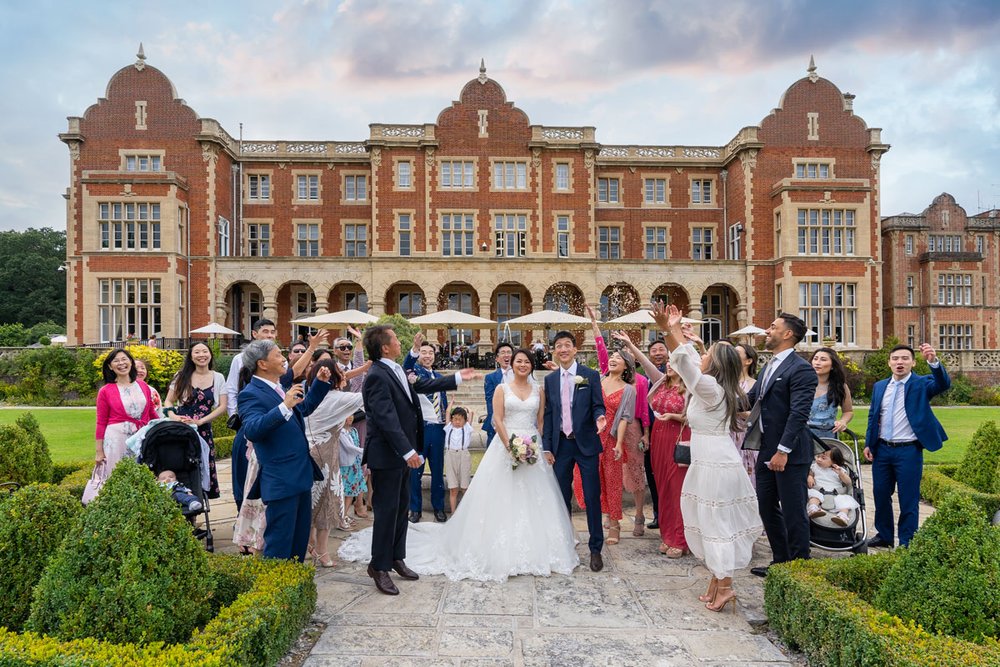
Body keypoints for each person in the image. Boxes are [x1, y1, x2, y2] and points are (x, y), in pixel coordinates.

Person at [339, 348, 578, 582]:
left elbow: (540, 422)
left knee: (536, 500)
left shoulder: (539, 389)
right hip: (506, 446)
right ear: (511, 364)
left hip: (531, 448)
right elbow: (497, 419)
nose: (522, 365)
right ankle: (382, 563)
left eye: (526, 361)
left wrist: (535, 446)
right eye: (518, 361)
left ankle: (395, 558)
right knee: (393, 509)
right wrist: (511, 446)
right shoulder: (502, 388)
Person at [652, 302, 763, 612]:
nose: (701, 355)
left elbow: (685, 364)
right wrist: (675, 328)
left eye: (707, 354)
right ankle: (717, 579)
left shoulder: (711, 388)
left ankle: (725, 586)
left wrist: (667, 331)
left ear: (715, 365)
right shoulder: (713, 386)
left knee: (716, 524)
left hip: (716, 463)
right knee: (710, 520)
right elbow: (686, 358)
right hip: (711, 459)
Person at [356, 324, 474, 595]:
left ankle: (397, 558)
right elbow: (386, 418)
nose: (400, 341)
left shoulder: (395, 369)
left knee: (400, 509)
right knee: (386, 512)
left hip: (402, 453)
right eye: (395, 338)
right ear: (385, 347)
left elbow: (423, 385)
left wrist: (457, 377)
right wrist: (407, 451)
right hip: (388, 455)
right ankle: (378, 566)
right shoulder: (375, 375)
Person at [238, 339, 333, 562]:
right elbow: (252, 430)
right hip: (280, 479)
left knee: (298, 544)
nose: (284, 359)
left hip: (300, 474)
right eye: (278, 355)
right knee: (280, 545)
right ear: (262, 363)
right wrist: (284, 406)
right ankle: (274, 593)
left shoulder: (279, 388)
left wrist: (320, 384)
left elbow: (305, 408)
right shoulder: (250, 393)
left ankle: (295, 591)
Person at [746, 313, 818, 578]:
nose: (768, 330)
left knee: (793, 510)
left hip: (789, 453)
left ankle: (800, 567)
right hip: (766, 448)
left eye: (773, 327)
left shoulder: (801, 369)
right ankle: (780, 561)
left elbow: (798, 413)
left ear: (788, 334)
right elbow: (751, 400)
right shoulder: (769, 366)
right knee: (766, 505)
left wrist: (782, 450)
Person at [864, 343, 950, 548]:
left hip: (909, 450)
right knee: (881, 495)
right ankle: (884, 536)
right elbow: (873, 416)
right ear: (889, 363)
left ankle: (907, 540)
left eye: (904, 358)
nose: (899, 362)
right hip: (882, 450)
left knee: (908, 498)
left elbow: (942, 384)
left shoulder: (922, 383)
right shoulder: (880, 386)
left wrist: (933, 362)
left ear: (912, 362)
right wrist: (869, 443)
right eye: (895, 359)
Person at [615, 332, 690, 557]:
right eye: (669, 363)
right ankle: (667, 535)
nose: (669, 366)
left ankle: (680, 538)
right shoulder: (661, 382)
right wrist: (630, 344)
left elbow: (696, 416)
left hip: (679, 438)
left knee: (678, 490)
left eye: (674, 363)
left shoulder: (690, 388)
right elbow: (646, 364)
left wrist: (675, 418)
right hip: (658, 438)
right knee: (662, 488)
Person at [543, 330, 607, 572]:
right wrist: (547, 446)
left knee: (591, 496)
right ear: (555, 351)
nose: (563, 349)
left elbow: (597, 405)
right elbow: (549, 415)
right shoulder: (550, 380)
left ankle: (595, 548)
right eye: (558, 346)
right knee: (561, 498)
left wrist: (600, 417)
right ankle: (565, 544)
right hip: (561, 445)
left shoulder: (589, 375)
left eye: (567, 345)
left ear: (575, 349)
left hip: (587, 444)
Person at [585, 308, 649, 537]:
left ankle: (621, 521)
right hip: (596, 435)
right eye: (611, 358)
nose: (611, 359)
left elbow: (633, 414)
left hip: (621, 433)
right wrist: (594, 323)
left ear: (627, 365)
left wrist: (638, 435)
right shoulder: (599, 377)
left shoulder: (633, 386)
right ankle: (605, 516)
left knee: (626, 477)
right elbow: (600, 347)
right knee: (597, 479)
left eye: (618, 358)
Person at [304, 359, 364, 567]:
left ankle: (310, 543)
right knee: (327, 503)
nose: (345, 375)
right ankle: (321, 550)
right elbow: (368, 396)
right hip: (325, 455)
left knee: (309, 501)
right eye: (341, 372)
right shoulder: (338, 398)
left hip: (306, 452)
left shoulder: (308, 395)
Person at [164, 342, 227, 499]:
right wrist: (174, 417)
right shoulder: (181, 376)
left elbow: (223, 406)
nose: (201, 355)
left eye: (205, 351)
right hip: (181, 428)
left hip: (203, 429)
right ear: (191, 357)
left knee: (203, 466)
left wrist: (201, 421)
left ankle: (199, 503)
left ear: (210, 354)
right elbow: (168, 402)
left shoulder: (218, 377)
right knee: (182, 465)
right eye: (197, 352)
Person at [226, 318, 277, 511]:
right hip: (248, 421)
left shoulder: (277, 359)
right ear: (255, 334)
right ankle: (243, 514)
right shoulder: (240, 359)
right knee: (244, 472)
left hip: (269, 421)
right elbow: (232, 389)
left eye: (272, 332)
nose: (270, 335)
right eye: (265, 331)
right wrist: (235, 418)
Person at [403, 333, 453, 523]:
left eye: (430, 352)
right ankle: (415, 509)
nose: (427, 356)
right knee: (416, 471)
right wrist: (414, 349)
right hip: (420, 429)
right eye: (423, 352)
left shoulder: (439, 376)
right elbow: (406, 367)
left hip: (438, 429)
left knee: (438, 470)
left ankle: (439, 507)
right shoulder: (414, 373)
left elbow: (443, 402)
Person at [94, 349, 160, 489]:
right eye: (116, 361)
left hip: (141, 437)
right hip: (117, 440)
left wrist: (163, 425)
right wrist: (99, 451)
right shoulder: (105, 391)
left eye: (124, 359)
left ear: (131, 362)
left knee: (143, 474)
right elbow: (101, 422)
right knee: (117, 475)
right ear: (110, 367)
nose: (121, 363)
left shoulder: (143, 386)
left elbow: (150, 413)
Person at [642, 336, 669, 530]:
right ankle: (658, 514)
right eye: (654, 351)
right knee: (652, 475)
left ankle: (671, 515)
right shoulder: (644, 377)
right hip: (649, 431)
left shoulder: (675, 374)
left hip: (670, 430)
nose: (658, 353)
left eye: (661, 349)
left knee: (670, 475)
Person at [808, 347, 855, 440]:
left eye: (823, 359)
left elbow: (848, 411)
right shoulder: (800, 384)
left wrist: (842, 421)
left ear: (832, 365)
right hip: (803, 434)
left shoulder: (840, 387)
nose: (817, 362)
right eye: (815, 359)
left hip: (828, 436)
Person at [806, 449, 859, 526]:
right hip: (819, 492)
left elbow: (848, 482)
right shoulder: (814, 467)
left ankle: (842, 516)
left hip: (836, 495)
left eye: (823, 458)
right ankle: (813, 509)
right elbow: (810, 473)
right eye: (818, 456)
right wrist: (810, 477)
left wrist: (841, 474)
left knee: (845, 502)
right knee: (814, 496)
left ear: (834, 461)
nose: (819, 459)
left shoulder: (839, 470)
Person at [733, 343, 759, 484]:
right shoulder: (723, 383)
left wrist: (738, 412)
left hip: (745, 437)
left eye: (737, 353)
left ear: (748, 361)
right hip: (725, 437)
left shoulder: (755, 385)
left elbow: (758, 415)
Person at [483, 341, 515, 447]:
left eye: (509, 352)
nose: (506, 355)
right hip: (496, 422)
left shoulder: (521, 375)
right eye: (503, 352)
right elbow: (489, 401)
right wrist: (496, 423)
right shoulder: (490, 378)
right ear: (497, 358)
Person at [443, 406, 473, 514]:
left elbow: (471, 413)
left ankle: (466, 513)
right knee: (453, 488)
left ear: (465, 420)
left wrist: (468, 410)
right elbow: (447, 412)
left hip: (463, 455)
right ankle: (453, 513)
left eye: (460, 419)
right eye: (455, 419)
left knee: (465, 487)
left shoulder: (467, 428)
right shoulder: (449, 427)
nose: (457, 421)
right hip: (450, 455)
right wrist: (451, 404)